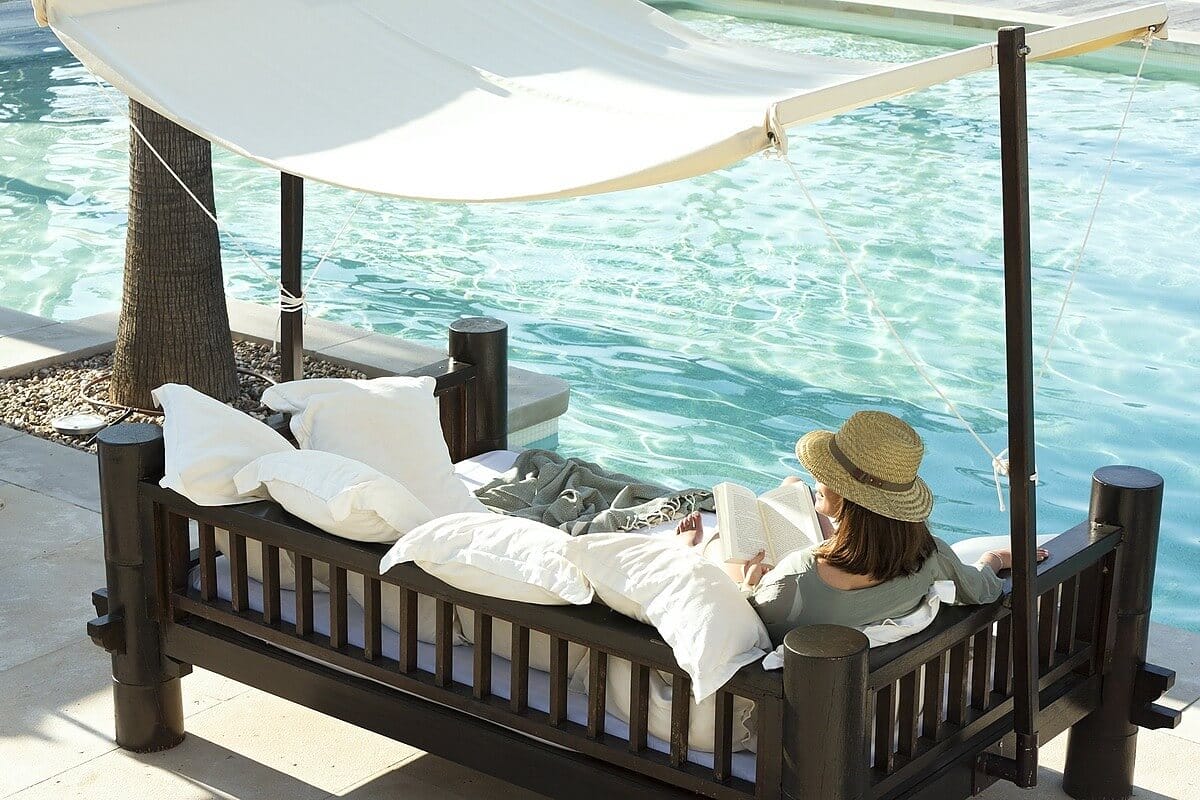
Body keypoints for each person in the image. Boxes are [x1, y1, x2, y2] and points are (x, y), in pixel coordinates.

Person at [676, 410, 1047, 647]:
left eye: (825, 475)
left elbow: (743, 625)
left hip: (799, 600)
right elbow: (983, 589)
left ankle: (694, 544)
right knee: (792, 487)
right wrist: (995, 558)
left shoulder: (797, 576)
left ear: (848, 494)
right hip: (855, 562)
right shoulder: (930, 555)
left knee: (724, 542)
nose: (816, 477)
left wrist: (748, 581)